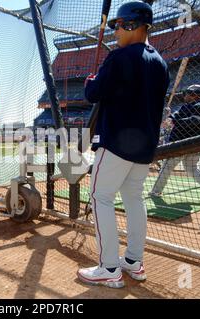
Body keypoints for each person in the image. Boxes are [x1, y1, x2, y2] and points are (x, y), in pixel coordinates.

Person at [77, 1, 170, 288]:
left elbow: (93, 93)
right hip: (144, 149)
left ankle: (108, 267)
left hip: (116, 142)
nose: (115, 31)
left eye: (118, 25)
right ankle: (133, 261)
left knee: (100, 197)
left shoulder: (119, 58)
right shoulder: (161, 62)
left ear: (132, 25)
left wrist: (91, 80)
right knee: (133, 199)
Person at [149, 84, 200, 205]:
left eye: (188, 93)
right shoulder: (185, 106)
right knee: (191, 169)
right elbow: (174, 117)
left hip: (185, 143)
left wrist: (174, 120)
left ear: (195, 94)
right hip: (188, 144)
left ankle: (155, 191)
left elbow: (194, 121)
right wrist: (168, 114)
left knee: (167, 167)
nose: (185, 95)